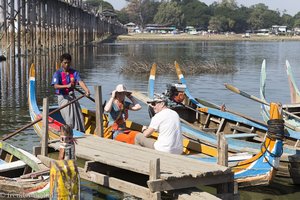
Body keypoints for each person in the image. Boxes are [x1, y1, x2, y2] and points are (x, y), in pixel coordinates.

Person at [51, 53, 90, 132]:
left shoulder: (74, 72)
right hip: (63, 98)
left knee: (79, 115)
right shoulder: (57, 73)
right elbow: (55, 86)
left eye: (68, 63)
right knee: (69, 117)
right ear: (61, 63)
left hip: (72, 97)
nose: (67, 64)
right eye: (65, 63)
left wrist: (86, 90)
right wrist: (66, 86)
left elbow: (80, 81)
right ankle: (71, 132)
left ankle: (80, 131)